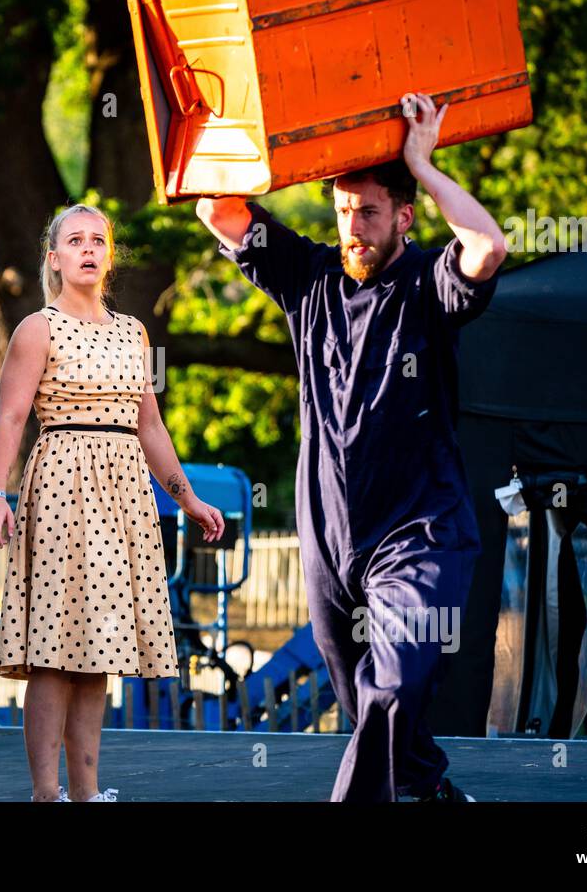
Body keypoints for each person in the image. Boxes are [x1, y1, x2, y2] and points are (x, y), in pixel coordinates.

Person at [196, 93, 507, 803]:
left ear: (404, 216)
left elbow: (489, 247)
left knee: (390, 687)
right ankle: (431, 791)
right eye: (342, 210)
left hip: (419, 533)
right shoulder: (308, 277)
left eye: (368, 212)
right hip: (329, 543)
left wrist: (421, 163)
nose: (352, 227)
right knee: (375, 707)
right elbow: (217, 208)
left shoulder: (429, 284)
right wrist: (273, 129)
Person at [0, 203, 225, 802]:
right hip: (63, 483)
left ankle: (86, 793)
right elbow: (10, 416)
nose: (88, 249)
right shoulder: (37, 328)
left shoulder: (133, 331)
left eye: (98, 240)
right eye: (75, 240)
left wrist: (188, 498)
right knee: (54, 653)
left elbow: (152, 429)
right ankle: (47, 793)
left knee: (100, 649)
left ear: (107, 256)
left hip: (125, 494)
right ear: (55, 258)